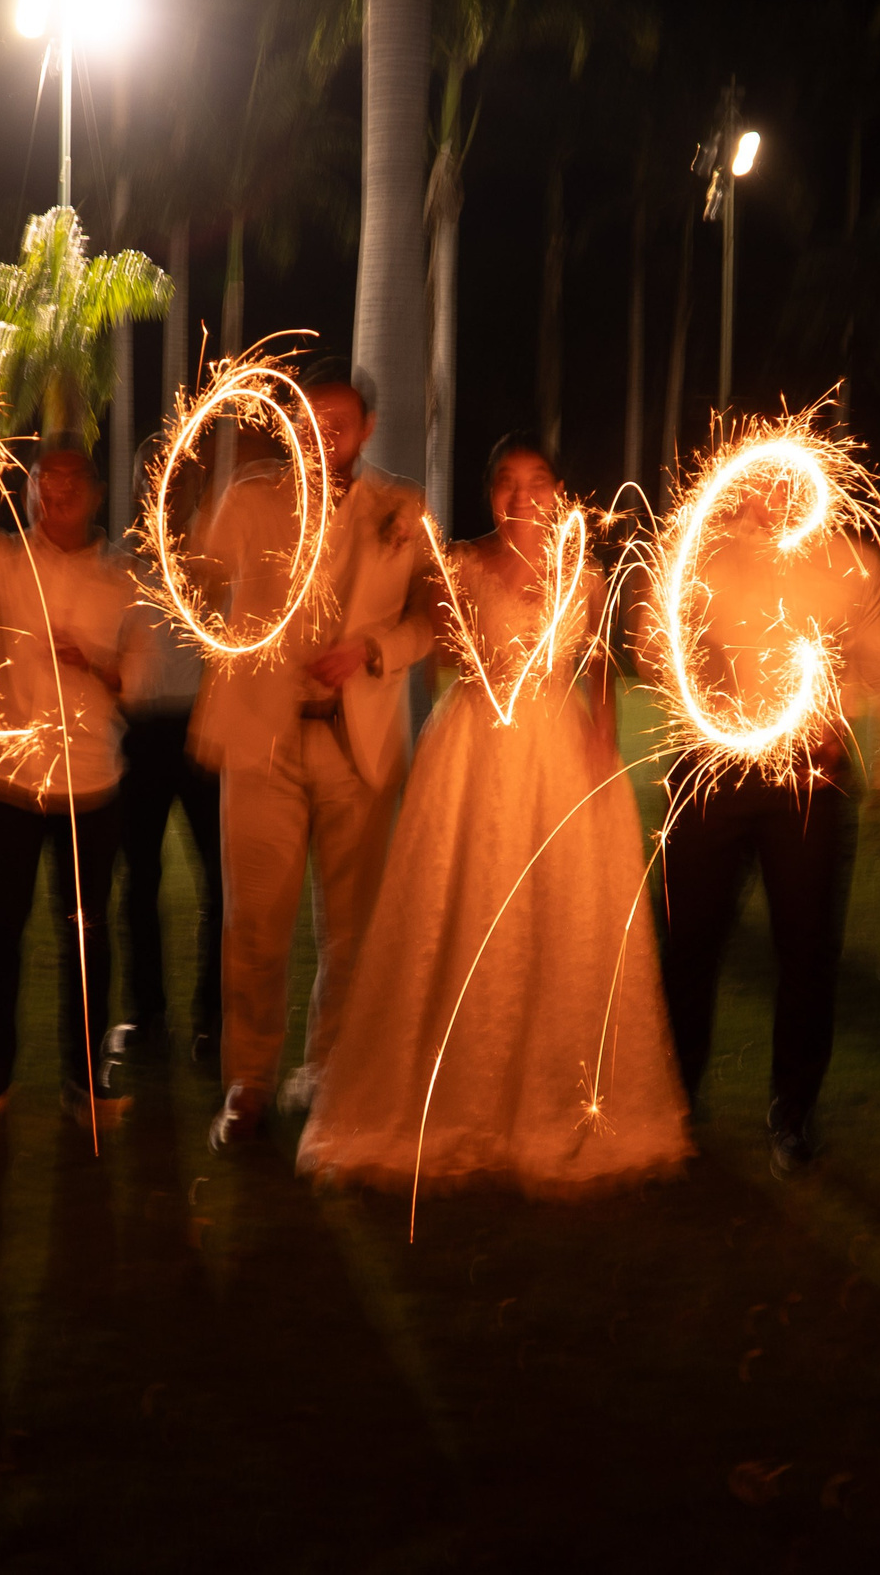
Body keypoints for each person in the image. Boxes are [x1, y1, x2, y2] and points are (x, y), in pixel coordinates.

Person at [298, 439, 693, 1196]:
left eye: (538, 482)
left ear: (558, 492)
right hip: (477, 746)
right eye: (507, 484)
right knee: (470, 906)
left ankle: (553, 1092)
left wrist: (602, 723)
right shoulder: (463, 563)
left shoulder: (586, 571)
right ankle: (452, 1087)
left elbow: (599, 659)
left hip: (557, 748)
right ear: (491, 496)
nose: (523, 497)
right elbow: (445, 654)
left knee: (563, 915)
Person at [190, 370, 435, 1152]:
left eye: (341, 424)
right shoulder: (251, 497)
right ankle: (249, 1081)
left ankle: (331, 1075)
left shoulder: (402, 509)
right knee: (254, 922)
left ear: (366, 430)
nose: (324, 437)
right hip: (261, 741)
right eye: (309, 422)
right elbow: (191, 579)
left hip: (355, 744)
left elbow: (432, 616)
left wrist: (372, 649)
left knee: (352, 931)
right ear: (290, 424)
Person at [657, 458, 880, 1177]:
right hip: (712, 771)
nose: (768, 496)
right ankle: (675, 1101)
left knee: (806, 951)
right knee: (688, 941)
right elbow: (656, 648)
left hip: (809, 778)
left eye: (784, 481)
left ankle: (792, 1110)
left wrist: (867, 738)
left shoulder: (845, 563)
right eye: (757, 478)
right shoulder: (705, 556)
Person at [0, 442, 143, 1127]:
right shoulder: (0, 561)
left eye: (72, 480)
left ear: (96, 492)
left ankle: (84, 1080)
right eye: (46, 479)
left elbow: (142, 678)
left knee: (87, 937)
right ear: (32, 489)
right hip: (9, 781)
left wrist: (94, 663)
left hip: (89, 785)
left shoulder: (123, 578)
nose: (57, 491)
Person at [112, 459, 225, 1068]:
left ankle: (211, 1017)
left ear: (195, 490)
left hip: (204, 732)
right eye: (157, 484)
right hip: (140, 732)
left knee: (219, 879)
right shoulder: (121, 570)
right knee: (139, 883)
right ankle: (145, 1013)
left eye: (181, 483)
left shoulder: (215, 562)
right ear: (139, 491)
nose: (167, 493)